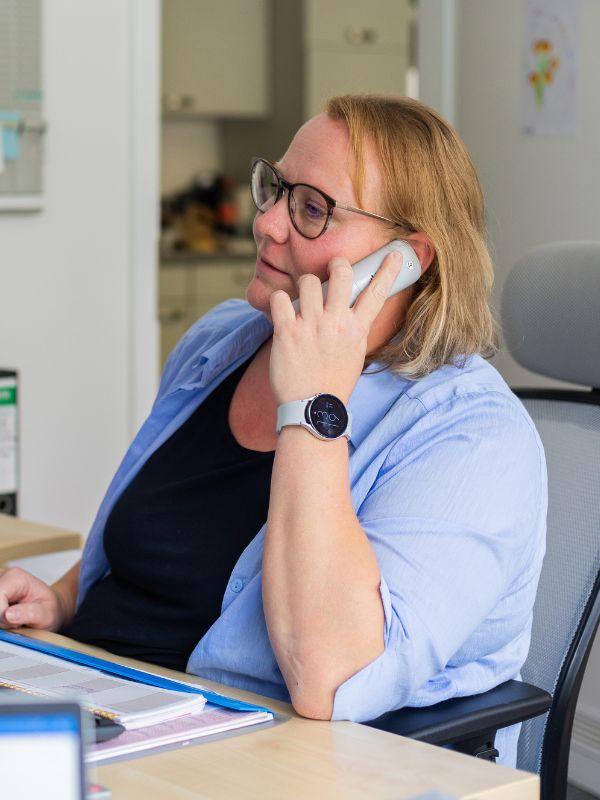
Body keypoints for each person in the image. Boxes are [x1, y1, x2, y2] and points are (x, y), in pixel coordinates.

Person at [0, 94, 546, 766]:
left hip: (253, 757)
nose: (265, 222)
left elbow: (330, 676)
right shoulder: (222, 343)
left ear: (407, 259)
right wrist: (62, 599)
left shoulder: (476, 439)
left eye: (312, 209)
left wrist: (315, 404)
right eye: (276, 189)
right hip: (104, 703)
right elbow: (164, 546)